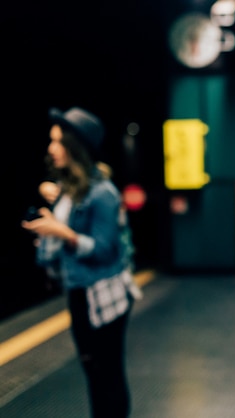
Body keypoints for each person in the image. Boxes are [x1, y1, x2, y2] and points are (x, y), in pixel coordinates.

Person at [22, 106, 140, 418]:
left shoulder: (103, 193)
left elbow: (103, 250)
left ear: (77, 147)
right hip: (80, 292)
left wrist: (62, 232)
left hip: (104, 298)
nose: (51, 149)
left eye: (58, 141)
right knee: (92, 370)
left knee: (108, 373)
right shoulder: (70, 189)